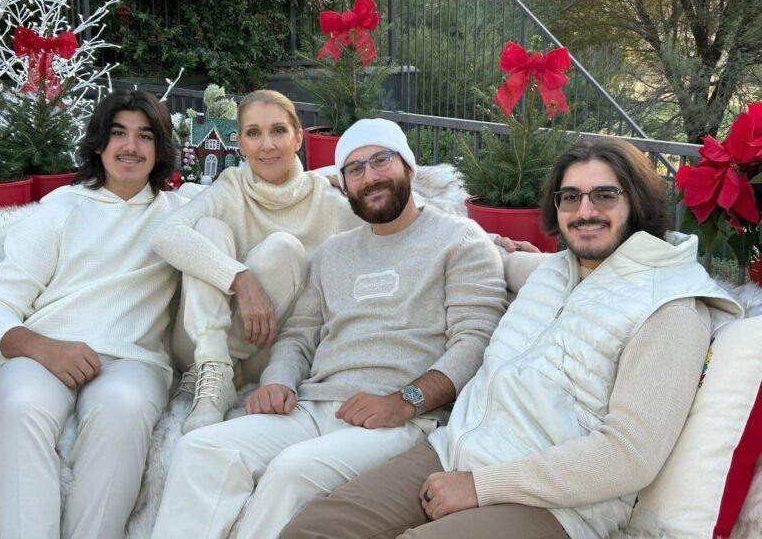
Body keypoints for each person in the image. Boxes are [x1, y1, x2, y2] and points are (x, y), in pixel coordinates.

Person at [282, 136, 744, 539]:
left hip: (556, 504)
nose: (585, 211)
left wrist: (483, 486)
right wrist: (498, 246)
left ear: (637, 201)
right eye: (570, 197)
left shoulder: (671, 305)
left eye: (605, 195)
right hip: (453, 451)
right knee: (312, 528)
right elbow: (513, 271)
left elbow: (630, 455)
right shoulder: (554, 273)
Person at [150, 118, 509, 539]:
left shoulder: (459, 241)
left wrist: (406, 400)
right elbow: (299, 335)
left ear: (409, 167)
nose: (369, 177)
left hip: (400, 419)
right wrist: (278, 381)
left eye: (381, 160)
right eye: (355, 169)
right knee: (202, 449)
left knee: (291, 471)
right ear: (345, 185)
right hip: (314, 406)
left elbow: (475, 341)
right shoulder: (333, 253)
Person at [0, 89, 187, 539]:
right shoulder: (60, 208)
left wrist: (330, 181)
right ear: (99, 143)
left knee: (124, 409)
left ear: (160, 147)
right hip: (43, 351)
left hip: (133, 361)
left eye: (145, 136)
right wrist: (45, 348)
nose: (130, 146)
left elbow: (252, 194)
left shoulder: (182, 215)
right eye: (118, 133)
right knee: (18, 407)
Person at [150, 89, 361, 433]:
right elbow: (165, 235)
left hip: (265, 352)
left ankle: (221, 373)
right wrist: (240, 279)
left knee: (283, 248)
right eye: (254, 133)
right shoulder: (230, 186)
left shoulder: (327, 199)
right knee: (208, 228)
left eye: (278, 131)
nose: (267, 145)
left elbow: (389, 230)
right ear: (241, 144)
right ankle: (215, 372)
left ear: (298, 139)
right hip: (198, 349)